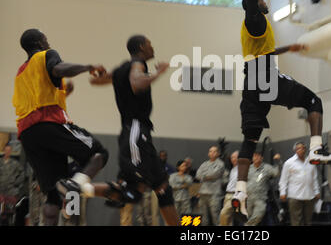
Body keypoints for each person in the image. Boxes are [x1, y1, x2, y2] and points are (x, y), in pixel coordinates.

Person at [233, 0, 331, 220]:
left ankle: (239, 192)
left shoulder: (257, 31)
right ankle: (316, 149)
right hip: (264, 77)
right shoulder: (255, 20)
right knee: (313, 101)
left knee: (250, 140)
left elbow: (264, 51)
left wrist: (287, 48)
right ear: (255, 5)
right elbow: (250, 2)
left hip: (252, 83)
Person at [12, 29, 114, 226]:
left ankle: (70, 190)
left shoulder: (21, 73)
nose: (48, 40)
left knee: (53, 194)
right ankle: (75, 186)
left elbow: (39, 98)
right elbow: (58, 69)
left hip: (27, 135)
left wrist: (64, 91)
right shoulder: (46, 55)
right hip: (49, 125)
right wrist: (87, 66)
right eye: (45, 38)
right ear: (40, 42)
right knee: (99, 153)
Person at [89, 34, 179, 226]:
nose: (152, 47)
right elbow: (138, 84)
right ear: (141, 47)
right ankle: (77, 188)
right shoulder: (138, 65)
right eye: (149, 43)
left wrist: (99, 76)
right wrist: (158, 73)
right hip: (136, 131)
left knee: (163, 188)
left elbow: (97, 81)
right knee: (131, 191)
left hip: (136, 132)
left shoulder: (123, 67)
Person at [279, 142, 320, 226]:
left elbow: (314, 178)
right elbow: (283, 180)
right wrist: (282, 192)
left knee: (308, 221)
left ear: (305, 150)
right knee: (296, 222)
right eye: (298, 148)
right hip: (295, 196)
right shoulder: (289, 163)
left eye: (303, 148)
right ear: (295, 150)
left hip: (309, 195)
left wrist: (317, 191)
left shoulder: (311, 162)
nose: (301, 150)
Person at [245, 150, 281, 226]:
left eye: (258, 156)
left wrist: (278, 162)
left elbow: (276, 173)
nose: (256, 157)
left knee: (258, 215)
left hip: (260, 198)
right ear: (252, 158)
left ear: (262, 158)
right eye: (255, 156)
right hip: (248, 198)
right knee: (249, 217)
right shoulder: (248, 168)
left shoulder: (266, 167)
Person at [195, 145, 225, 226]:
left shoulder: (220, 164)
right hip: (203, 193)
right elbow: (198, 175)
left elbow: (214, 174)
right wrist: (206, 176)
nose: (212, 153)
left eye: (214, 151)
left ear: (218, 153)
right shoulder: (205, 163)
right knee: (203, 216)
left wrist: (204, 176)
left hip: (214, 193)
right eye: (210, 151)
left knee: (215, 215)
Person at [0, 144, 25, 226]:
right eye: (6, 150)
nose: (7, 152)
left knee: (10, 213)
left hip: (11, 191)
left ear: (11, 152)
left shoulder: (15, 163)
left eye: (9, 150)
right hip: (0, 191)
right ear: (4, 151)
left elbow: (22, 174)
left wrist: (16, 183)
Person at [219, 151, 239, 226]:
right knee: (229, 218)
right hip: (228, 194)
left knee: (223, 213)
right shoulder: (233, 169)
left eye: (235, 157)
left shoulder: (243, 169)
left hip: (235, 196)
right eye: (232, 157)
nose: (233, 159)